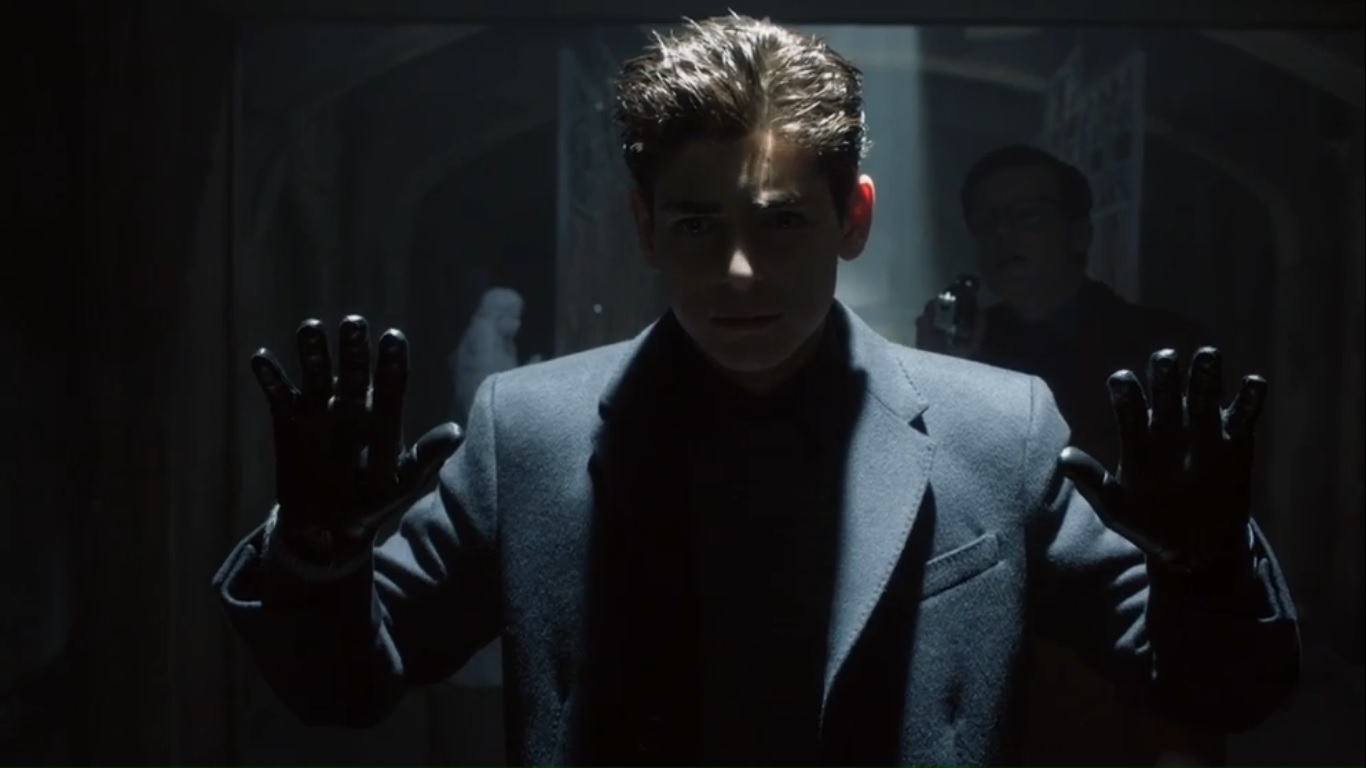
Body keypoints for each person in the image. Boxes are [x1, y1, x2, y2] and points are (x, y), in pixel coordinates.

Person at [215, 16, 1299, 766]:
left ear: (852, 218)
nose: (739, 271)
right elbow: (342, 691)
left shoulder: (995, 430)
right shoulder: (529, 432)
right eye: (698, 225)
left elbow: (1221, 688)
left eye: (781, 221)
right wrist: (315, 556)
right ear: (645, 227)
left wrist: (1204, 565)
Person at [917, 146, 1224, 764]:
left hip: (1134, 639)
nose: (1004, 235)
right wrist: (940, 375)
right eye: (987, 221)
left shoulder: (1163, 345)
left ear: (1078, 232)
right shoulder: (964, 349)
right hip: (1008, 653)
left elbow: (1207, 527)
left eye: (1026, 215)